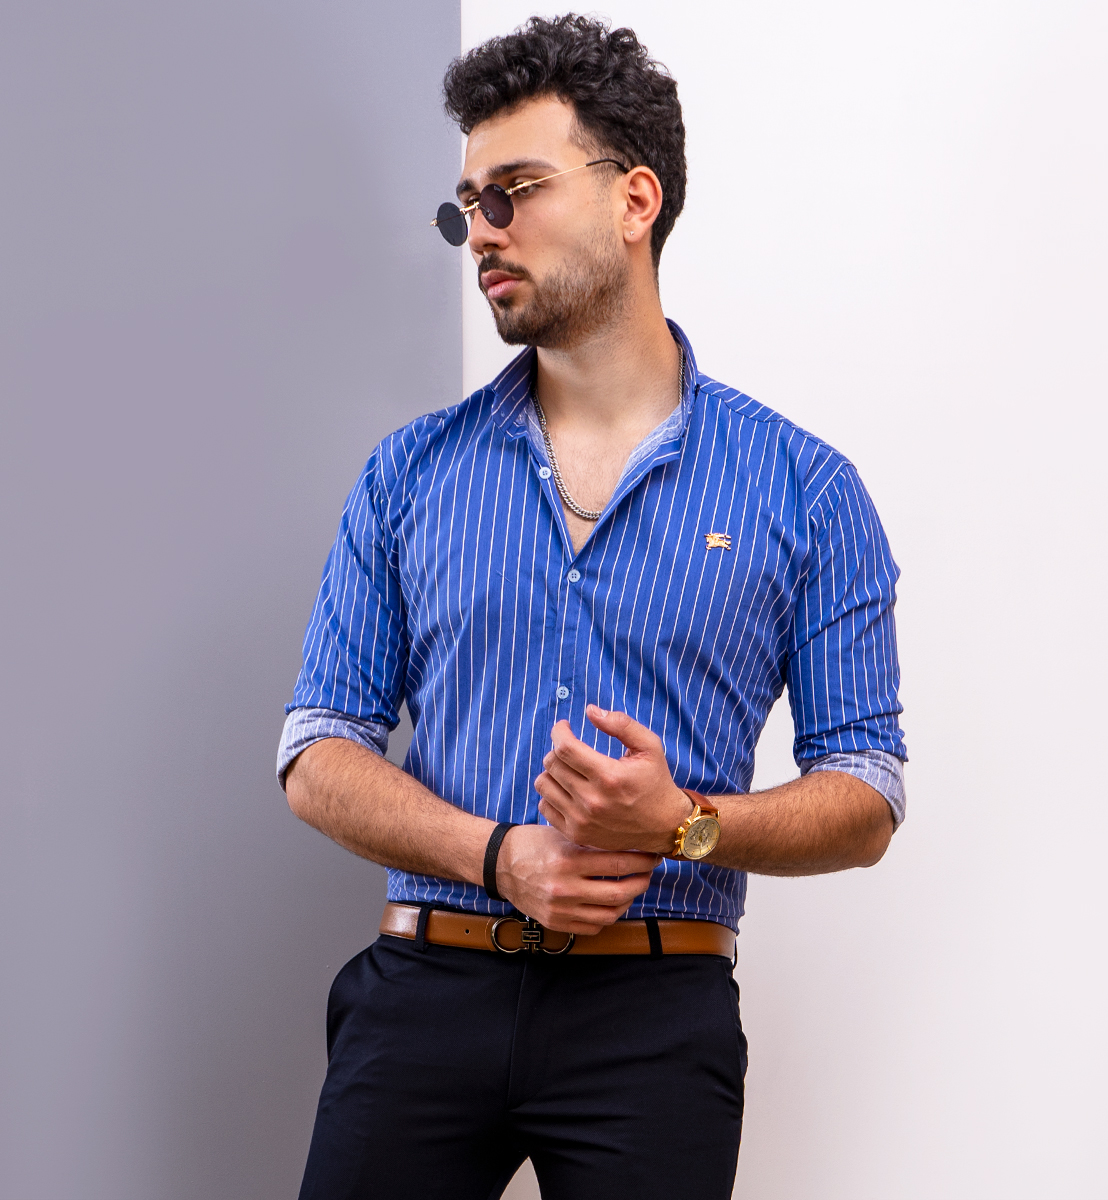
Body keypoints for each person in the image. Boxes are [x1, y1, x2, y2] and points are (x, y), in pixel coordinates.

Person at [278, 14, 906, 1200]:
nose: (482, 230)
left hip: (653, 1017)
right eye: (467, 205)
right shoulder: (407, 474)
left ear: (635, 199)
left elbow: (866, 793)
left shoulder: (806, 491)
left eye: (514, 190)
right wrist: (499, 855)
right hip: (426, 992)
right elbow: (316, 752)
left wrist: (683, 825)